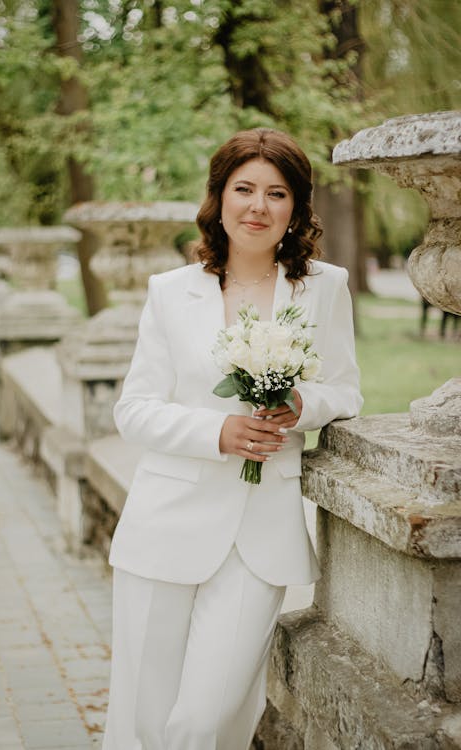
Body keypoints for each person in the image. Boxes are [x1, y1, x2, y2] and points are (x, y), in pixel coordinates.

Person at [102, 127, 363, 750]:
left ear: (296, 208)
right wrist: (217, 430)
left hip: (260, 534)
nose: (258, 207)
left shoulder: (324, 286)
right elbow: (134, 409)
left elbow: (346, 391)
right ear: (218, 198)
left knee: (205, 720)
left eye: (277, 194)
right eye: (243, 189)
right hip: (164, 524)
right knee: (144, 719)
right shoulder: (170, 291)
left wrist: (300, 402)